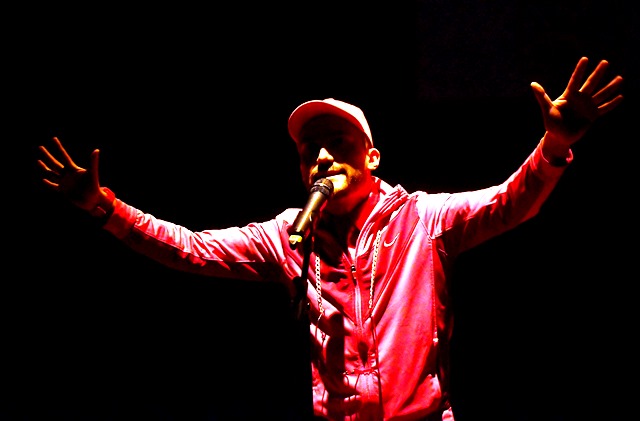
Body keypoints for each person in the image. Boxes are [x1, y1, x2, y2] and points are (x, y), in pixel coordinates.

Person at [37, 56, 623, 421]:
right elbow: (189, 247)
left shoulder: (422, 218)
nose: (320, 156)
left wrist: (553, 146)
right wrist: (103, 206)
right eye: (307, 151)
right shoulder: (288, 237)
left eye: (337, 144)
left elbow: (509, 203)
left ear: (371, 157)